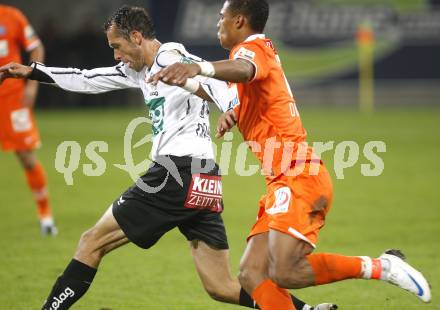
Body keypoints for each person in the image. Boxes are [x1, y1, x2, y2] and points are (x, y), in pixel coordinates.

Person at [0, 6, 335, 310]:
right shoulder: (136, 71)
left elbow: (206, 77)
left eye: (117, 46)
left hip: (176, 172)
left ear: (136, 37)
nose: (116, 55)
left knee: (91, 242)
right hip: (204, 178)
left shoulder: (168, 55)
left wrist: (232, 108)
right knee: (220, 286)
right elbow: (87, 79)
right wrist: (33, 71)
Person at [149, 0, 432, 309]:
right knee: (251, 274)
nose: (218, 23)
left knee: (285, 270)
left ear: (240, 21)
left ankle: (382, 267)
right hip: (281, 182)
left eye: (222, 17)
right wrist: (220, 103)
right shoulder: (249, 60)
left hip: (298, 176)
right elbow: (237, 91)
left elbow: (245, 70)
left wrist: (197, 67)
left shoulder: (252, 49)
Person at [0, 5, 57, 235]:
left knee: (27, 157)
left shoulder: (11, 16)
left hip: (13, 100)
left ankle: (46, 217)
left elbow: (36, 48)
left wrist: (32, 84)